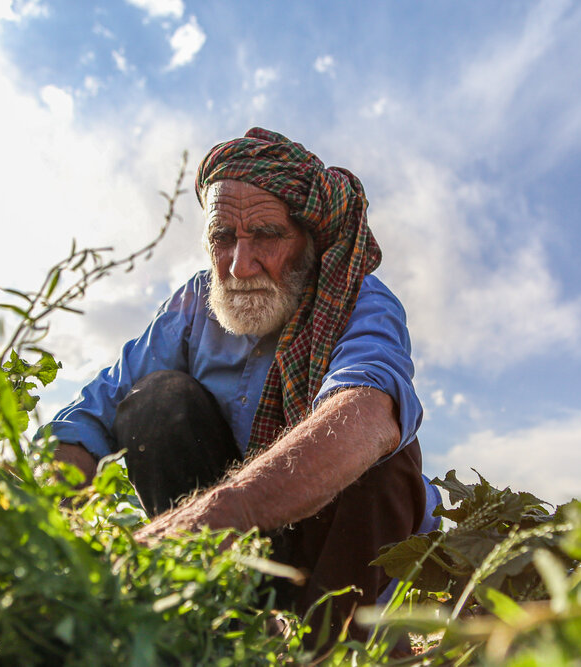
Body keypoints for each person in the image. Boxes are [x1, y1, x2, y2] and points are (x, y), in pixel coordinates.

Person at [44, 127, 440, 637]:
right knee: (156, 400)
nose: (238, 264)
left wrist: (223, 515)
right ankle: (218, 619)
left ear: (309, 240)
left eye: (268, 236)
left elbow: (369, 408)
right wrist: (36, 529)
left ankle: (337, 640)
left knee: (375, 450)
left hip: (337, 547)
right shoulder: (193, 306)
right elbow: (92, 413)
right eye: (222, 237)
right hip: (233, 544)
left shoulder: (360, 299)